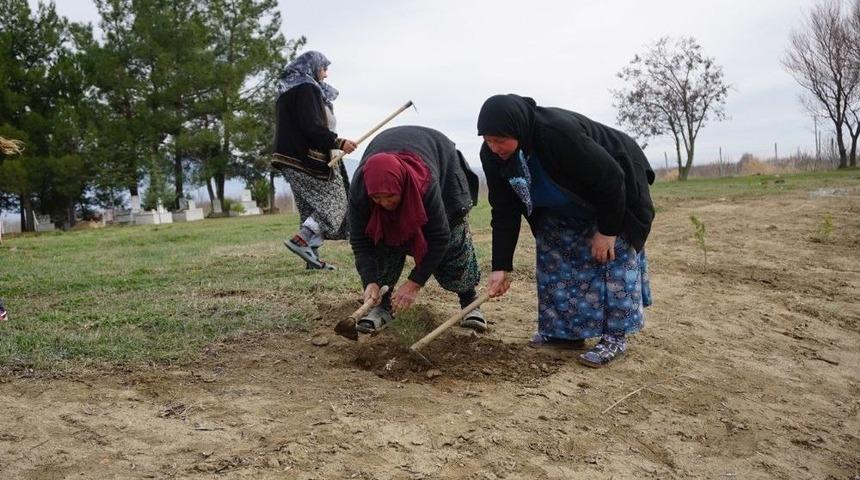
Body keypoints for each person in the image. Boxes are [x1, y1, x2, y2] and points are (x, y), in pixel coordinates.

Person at [477, 94, 654, 368]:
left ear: (518, 130)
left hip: (615, 192)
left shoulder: (556, 133)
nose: (494, 147)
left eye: (500, 140)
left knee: (611, 258)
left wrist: (608, 231)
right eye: (488, 140)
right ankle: (565, 333)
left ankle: (615, 337)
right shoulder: (492, 155)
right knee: (554, 258)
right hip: (561, 205)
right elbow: (504, 210)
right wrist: (501, 266)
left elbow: (611, 178)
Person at [349, 125, 485, 333]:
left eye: (390, 196)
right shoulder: (360, 189)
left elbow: (440, 237)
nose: (384, 203)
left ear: (401, 187)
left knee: (453, 241)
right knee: (380, 237)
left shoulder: (425, 183)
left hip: (442, 165)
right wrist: (370, 281)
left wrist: (414, 283)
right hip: (394, 157)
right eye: (377, 198)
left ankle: (469, 301)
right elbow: (360, 241)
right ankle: (383, 306)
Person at [272, 51, 358, 270]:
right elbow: (311, 127)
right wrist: (338, 142)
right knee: (337, 203)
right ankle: (301, 240)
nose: (326, 74)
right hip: (306, 158)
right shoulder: (306, 88)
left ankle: (312, 261)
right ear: (312, 67)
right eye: (323, 68)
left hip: (289, 158)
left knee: (310, 208)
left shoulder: (288, 90)